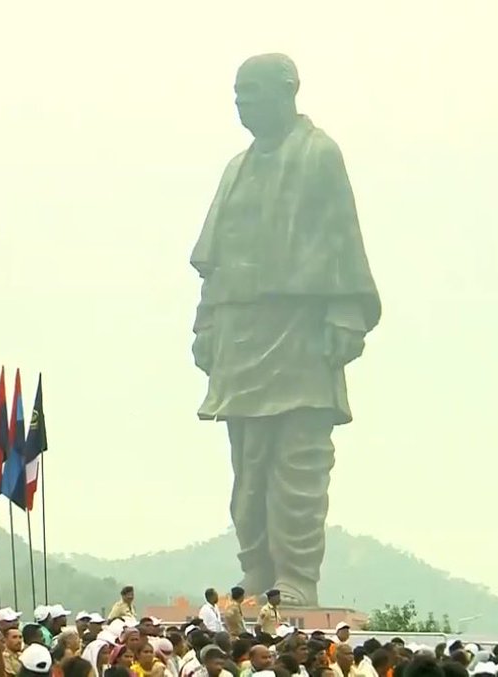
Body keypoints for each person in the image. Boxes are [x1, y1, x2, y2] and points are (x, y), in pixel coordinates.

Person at [190, 53, 380, 607]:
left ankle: (296, 575)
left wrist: (344, 312)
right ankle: (256, 571)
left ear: (289, 91)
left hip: (298, 328)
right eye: (236, 93)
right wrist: (205, 324)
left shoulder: (319, 155)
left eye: (252, 92)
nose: (241, 103)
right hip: (240, 330)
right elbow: (213, 260)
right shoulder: (236, 167)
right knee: (248, 467)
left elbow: (342, 238)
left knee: (298, 460)